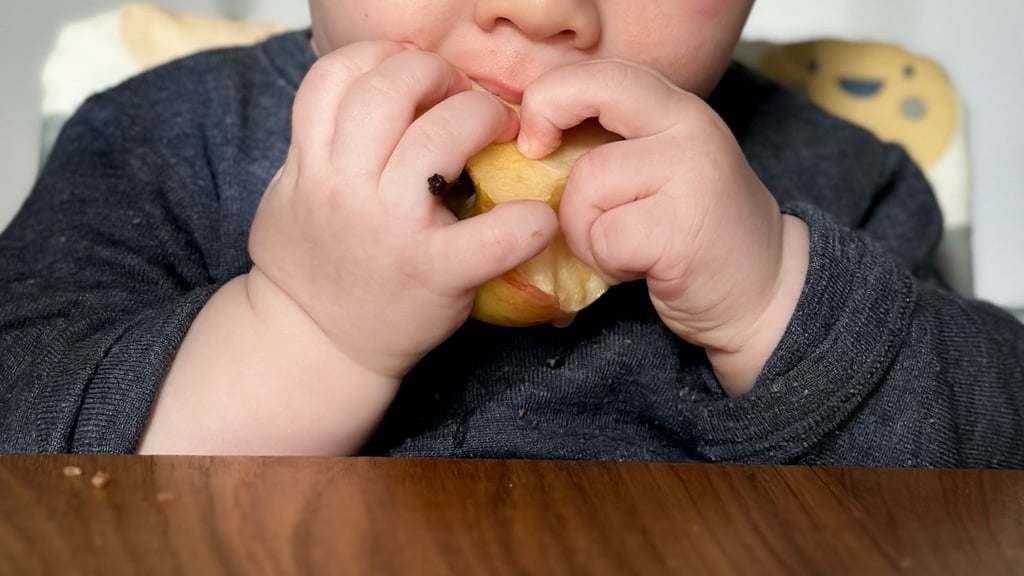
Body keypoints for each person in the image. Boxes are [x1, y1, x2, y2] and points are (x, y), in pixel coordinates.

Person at [1, 0, 1021, 466]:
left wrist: (772, 299)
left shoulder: (839, 177)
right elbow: (25, 437)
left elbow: (993, 465)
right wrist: (307, 330)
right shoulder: (164, 140)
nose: (539, 11)